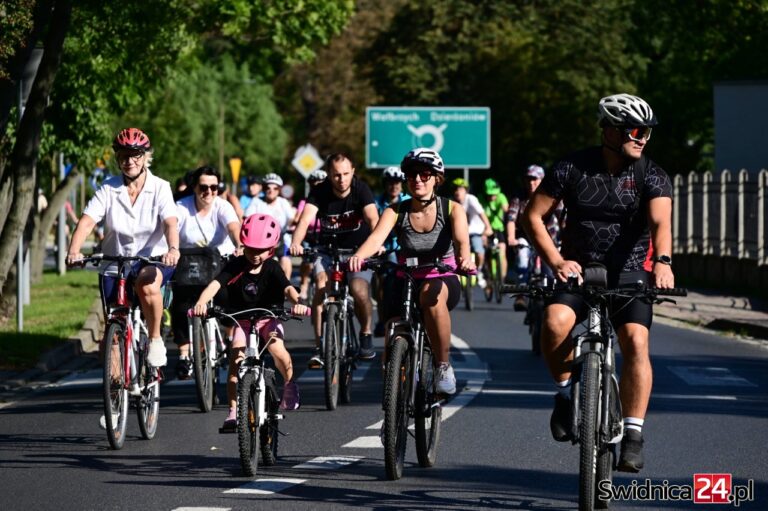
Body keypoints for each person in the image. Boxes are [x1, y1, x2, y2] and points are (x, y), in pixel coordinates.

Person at [521, 93, 674, 473]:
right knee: (554, 323)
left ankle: (634, 433)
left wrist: (665, 263)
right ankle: (564, 392)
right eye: (634, 130)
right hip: (576, 268)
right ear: (608, 131)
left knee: (636, 340)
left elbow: (661, 224)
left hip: (631, 271)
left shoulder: (652, 175)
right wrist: (556, 260)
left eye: (647, 133)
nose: (642, 138)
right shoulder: (572, 167)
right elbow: (532, 217)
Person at [348, 148, 475, 395]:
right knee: (391, 330)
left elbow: (462, 243)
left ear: (437, 178)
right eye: (411, 174)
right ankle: (392, 404)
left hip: (442, 277)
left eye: (425, 174)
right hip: (405, 278)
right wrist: (358, 256)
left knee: (430, 294)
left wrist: (465, 260)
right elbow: (376, 240)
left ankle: (443, 366)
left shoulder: (452, 209)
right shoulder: (395, 211)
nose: (417, 179)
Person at [67, 128, 178, 376]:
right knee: (112, 330)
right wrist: (74, 250)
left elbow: (170, 222)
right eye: (124, 155)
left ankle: (156, 338)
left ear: (146, 156)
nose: (129, 161)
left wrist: (173, 248)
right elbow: (86, 222)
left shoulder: (160, 187)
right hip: (115, 262)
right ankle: (116, 398)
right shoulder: (108, 188)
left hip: (154, 258)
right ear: (117, 157)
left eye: (136, 155)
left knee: (147, 286)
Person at [193, 213, 308, 430]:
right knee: (236, 358)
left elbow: (288, 288)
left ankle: (290, 384)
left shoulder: (273, 267)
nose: (255, 255)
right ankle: (234, 410)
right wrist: (201, 303)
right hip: (242, 321)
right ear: (243, 245)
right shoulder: (235, 265)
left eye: (261, 250)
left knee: (277, 350)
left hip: (268, 319)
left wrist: (298, 301)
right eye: (251, 249)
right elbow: (215, 285)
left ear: (272, 248)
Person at [290, 153, 380, 366]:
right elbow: (304, 221)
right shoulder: (319, 192)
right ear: (329, 175)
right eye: (336, 175)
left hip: (359, 251)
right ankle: (320, 346)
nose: (342, 179)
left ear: (353, 172)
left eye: (346, 174)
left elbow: (373, 218)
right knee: (321, 286)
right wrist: (296, 243)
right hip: (328, 250)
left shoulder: (361, 189)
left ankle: (365, 332)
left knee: (359, 289)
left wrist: (378, 243)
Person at [172, 165, 242, 380]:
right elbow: (172, 227)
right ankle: (184, 355)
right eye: (204, 187)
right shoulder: (181, 207)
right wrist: (170, 249)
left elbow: (233, 227)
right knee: (181, 305)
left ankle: (230, 337)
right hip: (189, 263)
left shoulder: (223, 206)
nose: (209, 192)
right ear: (194, 187)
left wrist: (240, 246)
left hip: (219, 261)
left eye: (214, 187)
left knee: (228, 297)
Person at [506, 164, 565, 310]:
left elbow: (563, 219)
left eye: (535, 179)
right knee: (522, 260)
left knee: (551, 271)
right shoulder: (518, 198)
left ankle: (552, 299)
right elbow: (511, 219)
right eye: (528, 179)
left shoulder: (553, 196)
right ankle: (521, 295)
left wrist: (566, 238)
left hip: (549, 239)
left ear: (542, 180)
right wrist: (511, 237)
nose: (531, 183)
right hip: (525, 238)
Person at [372, 166, 410, 336]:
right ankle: (381, 319)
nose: (394, 186)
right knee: (379, 285)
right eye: (390, 183)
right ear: (385, 185)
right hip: (383, 249)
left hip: (405, 249)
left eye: (397, 183)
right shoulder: (376, 203)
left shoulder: (409, 200)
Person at [244, 173, 295, 279]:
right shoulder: (256, 201)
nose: (271, 191)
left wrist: (293, 225)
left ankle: (285, 289)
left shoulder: (283, 202)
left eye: (275, 188)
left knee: (285, 262)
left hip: (281, 239)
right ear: (263, 188)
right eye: (268, 187)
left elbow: (291, 219)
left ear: (279, 190)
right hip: (260, 240)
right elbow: (246, 219)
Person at [292, 169, 327, 301]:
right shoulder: (305, 202)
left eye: (320, 183)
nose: (317, 186)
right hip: (309, 236)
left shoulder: (329, 202)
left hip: (324, 237)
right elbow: (299, 219)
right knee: (307, 261)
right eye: (314, 183)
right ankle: (304, 284)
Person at [452, 178, 492, 289]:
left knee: (479, 252)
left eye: (460, 189)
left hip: (475, 231)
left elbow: (482, 214)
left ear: (466, 190)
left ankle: (479, 271)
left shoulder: (471, 199)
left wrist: (488, 228)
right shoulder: (452, 202)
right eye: (455, 189)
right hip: (460, 233)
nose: (457, 191)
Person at [481, 177, 510, 288]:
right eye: (489, 194)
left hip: (499, 229)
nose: (492, 197)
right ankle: (487, 274)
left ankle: (502, 278)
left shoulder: (501, 197)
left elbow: (506, 208)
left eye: (494, 194)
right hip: (485, 230)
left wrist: (505, 208)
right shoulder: (481, 199)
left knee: (502, 251)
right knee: (486, 252)